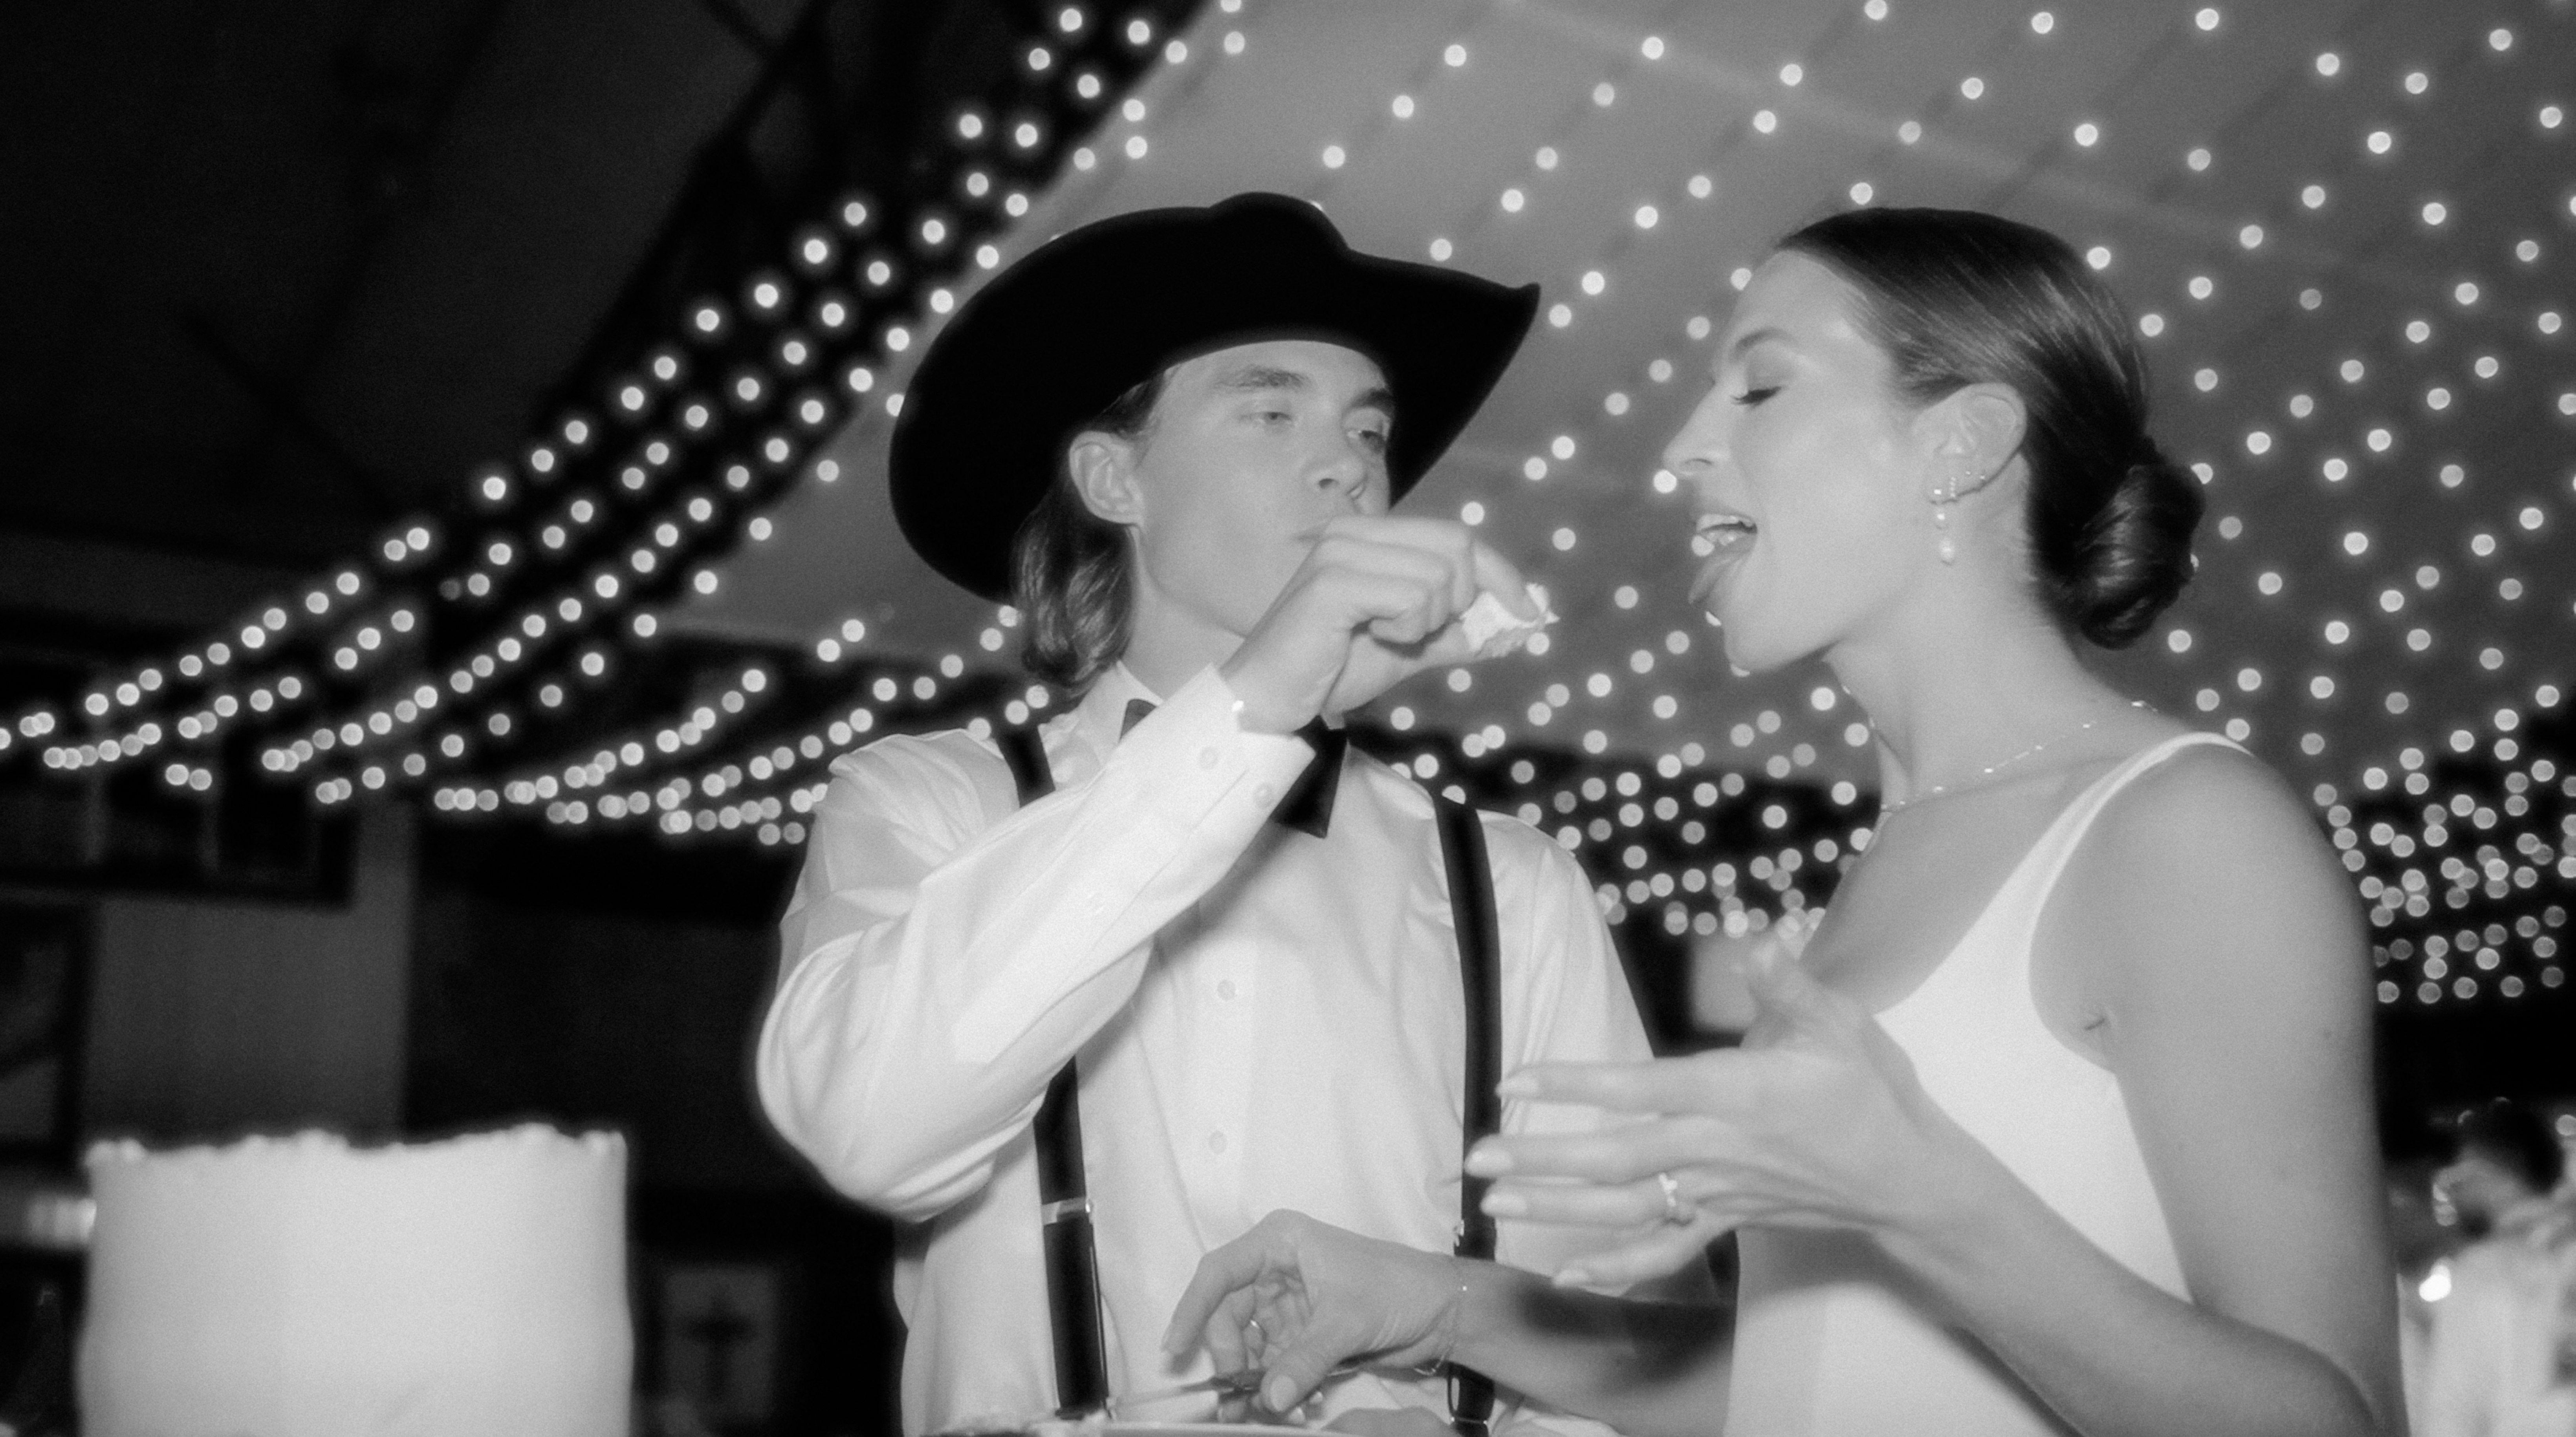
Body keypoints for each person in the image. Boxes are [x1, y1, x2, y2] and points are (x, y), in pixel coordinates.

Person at [1166, 206, 2404, 1437]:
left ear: (1958, 445)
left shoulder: (2181, 828)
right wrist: (1437, 1305)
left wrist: (1922, 1199)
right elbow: (1805, 1380)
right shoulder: (1883, 864)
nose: (1682, 447)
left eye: (1758, 387)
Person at [754, 192, 1662, 1435]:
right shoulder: (928, 803)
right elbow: (868, 1126)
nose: (1347, 462)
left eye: (1365, 427)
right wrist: (1257, 705)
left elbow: (1638, 1339)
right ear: (1113, 475)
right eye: (1270, 407)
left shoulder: (1511, 882)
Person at [2420, 1100, 2575, 1437]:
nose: (2454, 1196)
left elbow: (2452, 1414)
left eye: (2458, 1177)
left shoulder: (2480, 1271)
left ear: (2494, 1170)